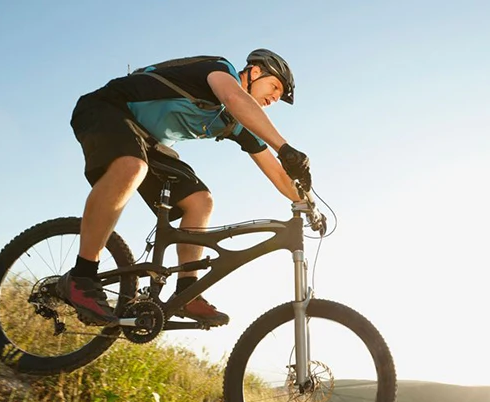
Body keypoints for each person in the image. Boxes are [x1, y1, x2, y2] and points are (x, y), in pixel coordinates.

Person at [57, 49, 312, 327]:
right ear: (253, 72)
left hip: (148, 142)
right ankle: (82, 276)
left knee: (201, 201)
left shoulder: (235, 123)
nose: (275, 97)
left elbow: (276, 172)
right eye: (275, 86)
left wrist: (308, 202)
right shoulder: (219, 69)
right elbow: (233, 97)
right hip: (108, 108)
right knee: (131, 167)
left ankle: (187, 292)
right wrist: (284, 148)